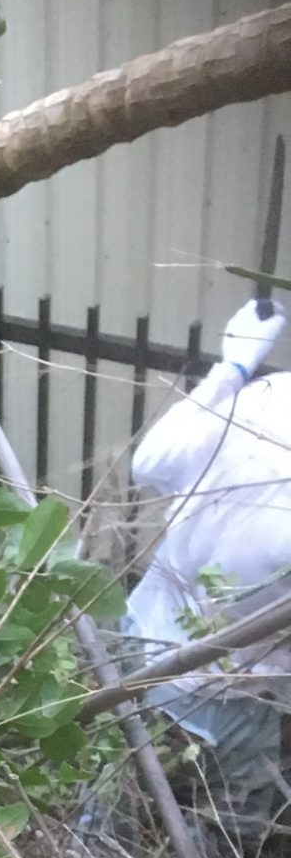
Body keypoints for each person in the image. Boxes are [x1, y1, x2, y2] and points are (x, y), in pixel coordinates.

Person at [122, 293, 291, 809]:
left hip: (141, 642)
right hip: (229, 702)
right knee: (227, 825)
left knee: (116, 788)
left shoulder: (271, 396)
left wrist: (233, 366)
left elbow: (148, 463)